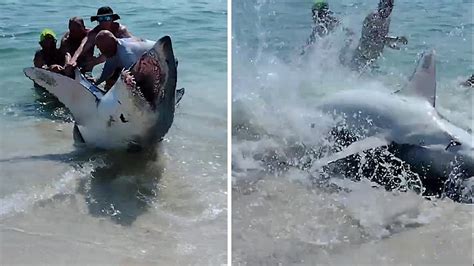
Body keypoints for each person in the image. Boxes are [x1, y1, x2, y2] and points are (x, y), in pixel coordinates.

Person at [67, 6, 133, 71]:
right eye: (101, 19)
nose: (104, 22)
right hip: (109, 58)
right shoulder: (94, 32)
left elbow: (131, 45)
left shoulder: (120, 30)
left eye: (107, 18)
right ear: (98, 20)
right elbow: (83, 46)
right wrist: (73, 60)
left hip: (126, 56)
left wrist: (94, 62)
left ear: (112, 19)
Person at [350, 0, 408, 71]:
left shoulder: (387, 20)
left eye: (391, 7)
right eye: (386, 6)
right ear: (380, 4)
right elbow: (376, 39)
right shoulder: (372, 18)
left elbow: (381, 41)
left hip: (372, 60)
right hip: (362, 58)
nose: (388, 9)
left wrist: (392, 45)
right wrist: (397, 39)